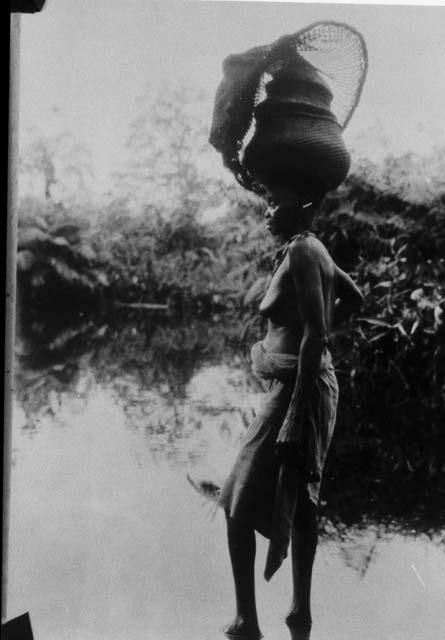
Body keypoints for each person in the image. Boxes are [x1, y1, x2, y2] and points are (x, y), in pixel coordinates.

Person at [218, 186, 364, 639]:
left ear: (299, 205)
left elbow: (316, 331)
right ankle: (300, 613)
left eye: (275, 201)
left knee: (236, 500)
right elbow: (353, 297)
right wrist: (311, 350)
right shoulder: (307, 248)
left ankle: (248, 621)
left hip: (300, 391)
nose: (266, 211)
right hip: (305, 381)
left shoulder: (304, 250)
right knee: (300, 498)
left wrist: (296, 410)